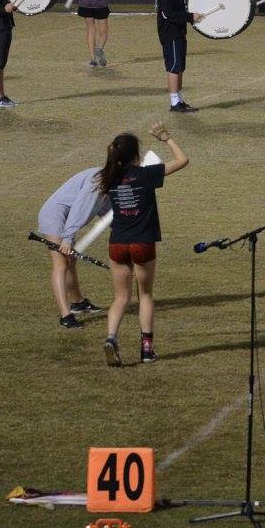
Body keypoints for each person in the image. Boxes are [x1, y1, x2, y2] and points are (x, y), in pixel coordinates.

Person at [100, 122, 189, 366]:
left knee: (120, 297)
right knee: (145, 295)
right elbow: (182, 160)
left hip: (117, 242)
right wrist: (166, 138)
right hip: (143, 242)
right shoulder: (146, 175)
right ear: (136, 155)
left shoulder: (108, 177)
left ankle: (111, 338)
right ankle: (147, 349)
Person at [37, 168, 112, 328]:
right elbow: (79, 208)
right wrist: (67, 238)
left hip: (65, 217)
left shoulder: (110, 180)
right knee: (61, 263)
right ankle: (65, 316)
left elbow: (108, 212)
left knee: (70, 260)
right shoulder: (98, 180)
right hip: (54, 216)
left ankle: (78, 303)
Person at [156, 0, 203, 113]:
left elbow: (181, 10)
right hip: (170, 34)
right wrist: (190, 17)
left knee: (180, 67)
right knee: (174, 67)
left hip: (179, 32)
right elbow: (168, 14)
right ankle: (174, 103)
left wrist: (191, 16)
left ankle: (180, 100)